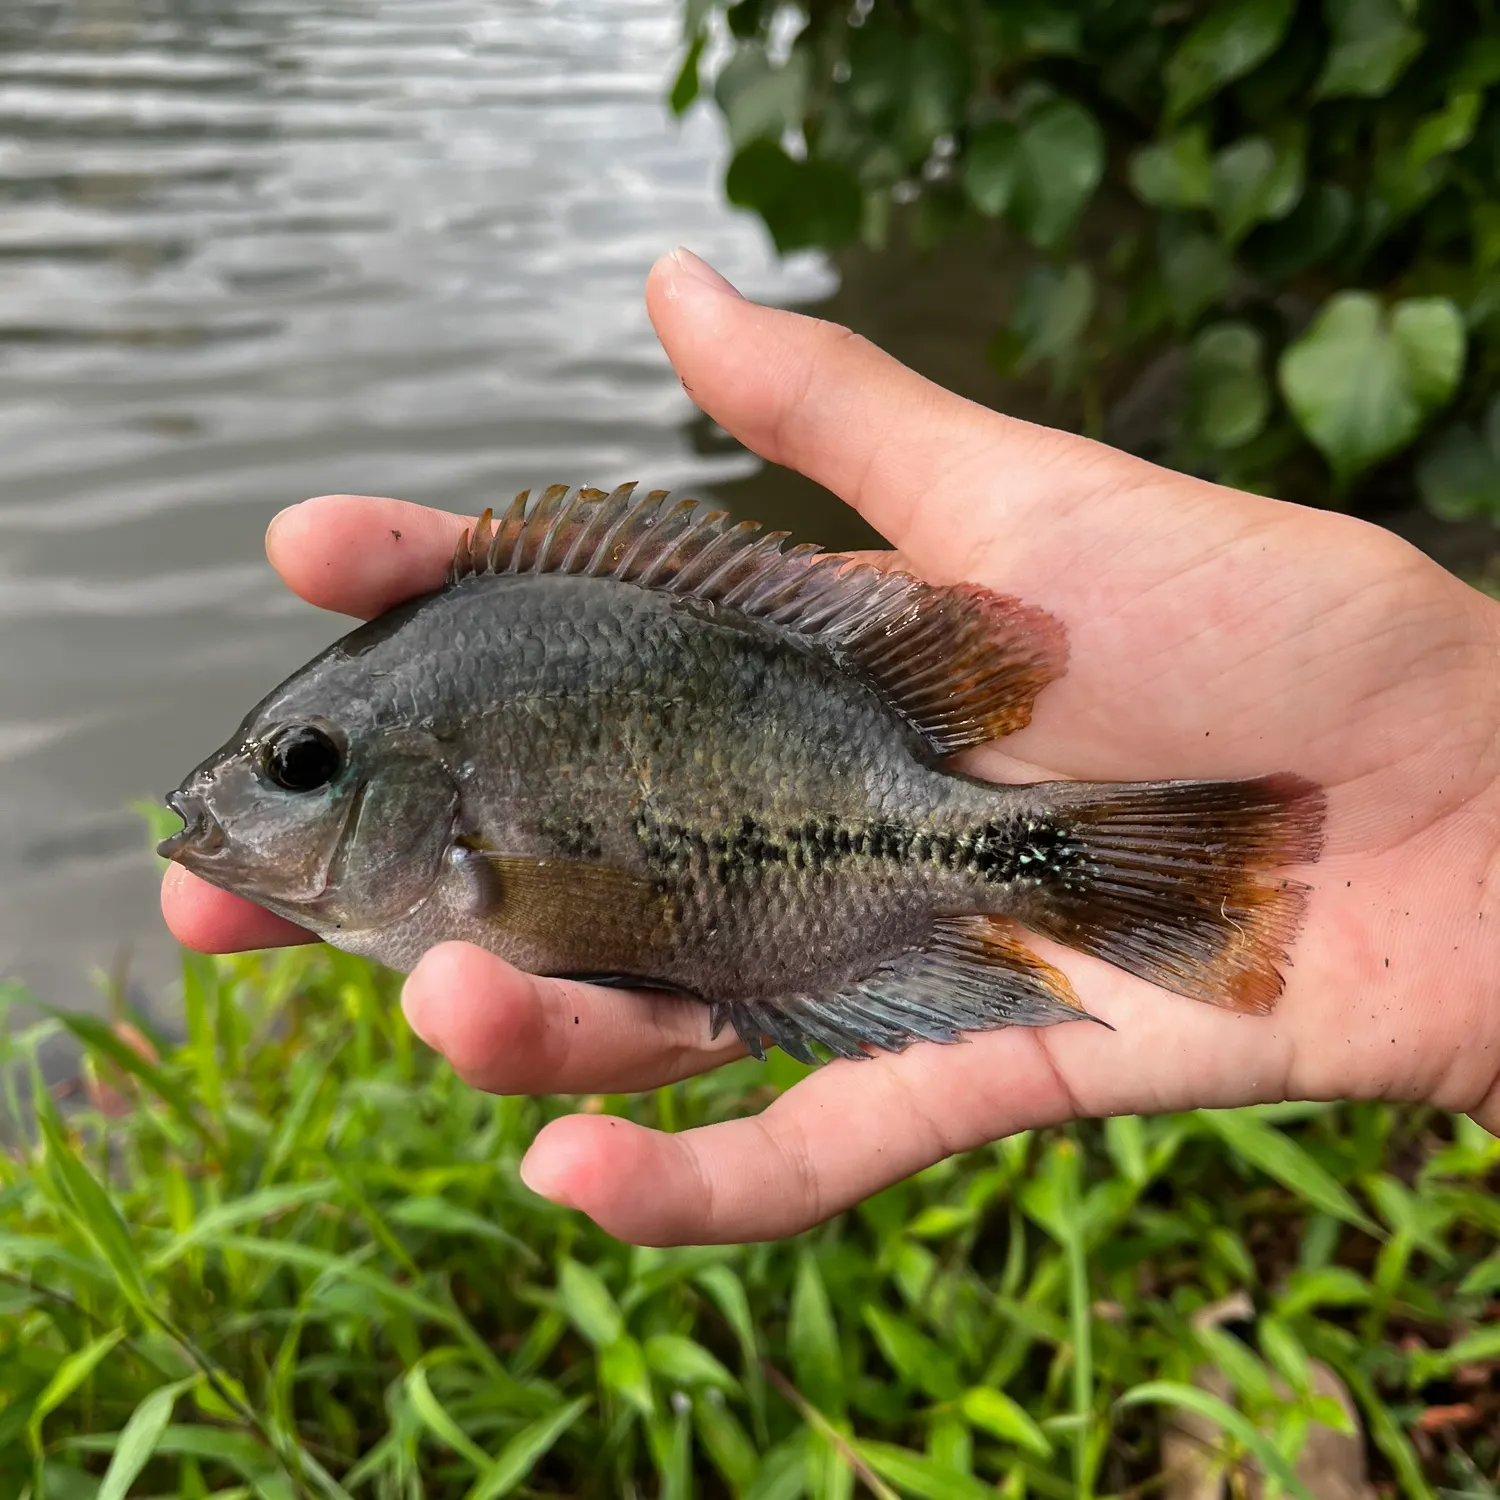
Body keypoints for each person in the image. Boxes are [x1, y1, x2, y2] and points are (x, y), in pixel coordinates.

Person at [161, 248, 1500, 1247]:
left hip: (860, 816)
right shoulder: (447, 728)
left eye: (300, 763)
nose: (245, 801)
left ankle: (1149, 885)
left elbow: (598, 909)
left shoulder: (468, 750)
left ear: (414, 790)